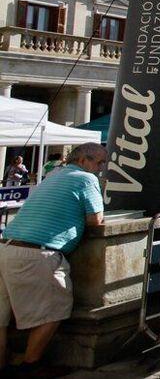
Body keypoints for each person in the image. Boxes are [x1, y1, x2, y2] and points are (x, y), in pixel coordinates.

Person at [0, 143, 104, 372]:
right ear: (84, 160)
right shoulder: (86, 179)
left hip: (6, 246)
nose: (101, 168)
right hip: (38, 252)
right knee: (54, 310)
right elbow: (95, 220)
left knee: (1, 316)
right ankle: (30, 366)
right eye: (99, 162)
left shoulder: (53, 176)